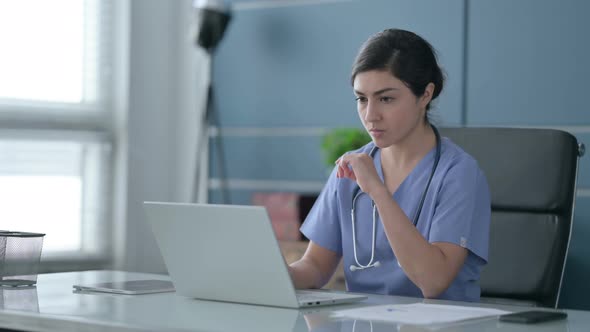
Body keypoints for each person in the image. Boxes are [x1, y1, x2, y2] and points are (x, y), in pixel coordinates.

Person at [288, 29, 491, 302]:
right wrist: (272, 274)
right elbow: (314, 267)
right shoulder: (352, 168)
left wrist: (378, 192)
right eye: (362, 99)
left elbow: (433, 282)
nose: (370, 115)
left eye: (386, 99)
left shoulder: (458, 173)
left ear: (425, 95)